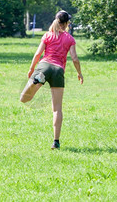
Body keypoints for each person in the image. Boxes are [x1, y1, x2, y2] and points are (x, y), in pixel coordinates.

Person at [20, 10, 83, 150]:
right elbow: (74, 58)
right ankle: (56, 141)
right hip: (58, 70)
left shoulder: (48, 35)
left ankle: (36, 80)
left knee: (24, 99)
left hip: (44, 66)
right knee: (57, 109)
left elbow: (38, 54)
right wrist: (79, 73)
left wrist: (31, 69)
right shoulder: (70, 39)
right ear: (67, 23)